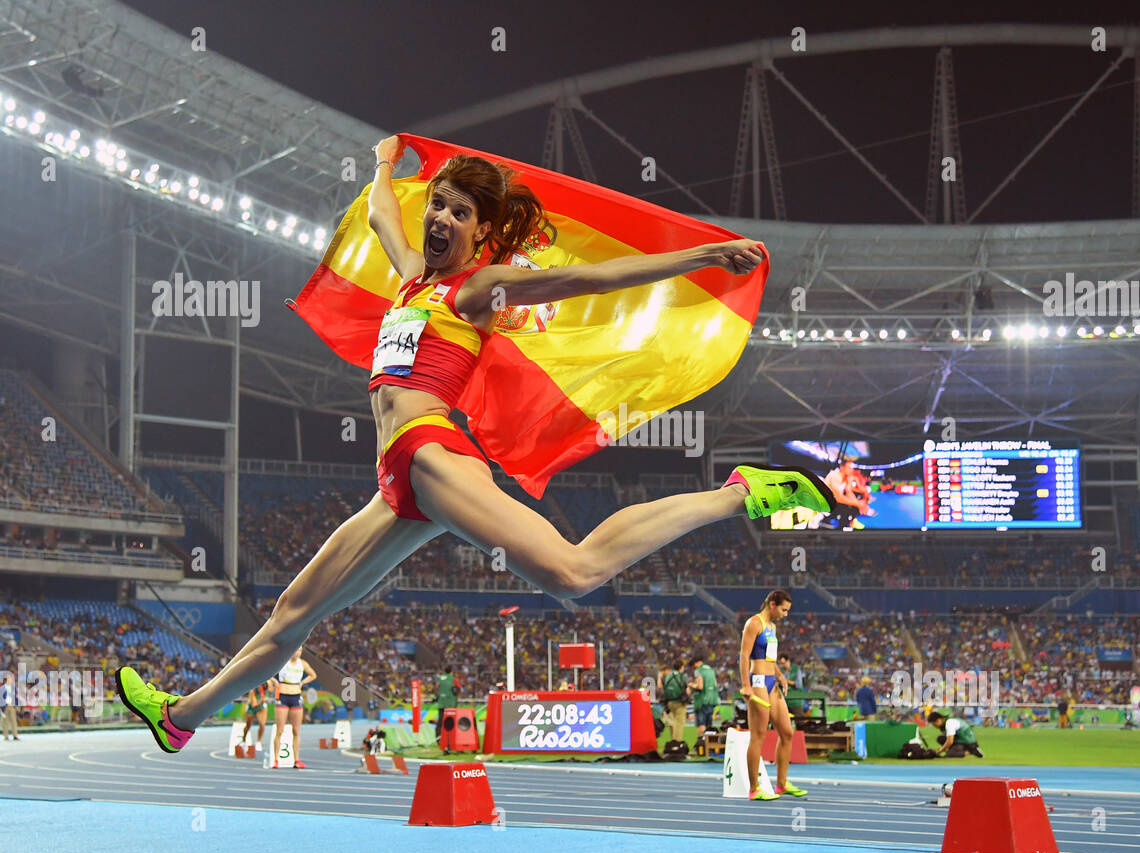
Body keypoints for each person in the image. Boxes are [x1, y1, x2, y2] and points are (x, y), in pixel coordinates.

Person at [113, 138, 834, 754]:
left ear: (481, 231)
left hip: (432, 453)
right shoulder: (410, 282)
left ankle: (737, 489)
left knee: (574, 571)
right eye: (439, 203)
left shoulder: (478, 288)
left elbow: (588, 277)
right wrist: (385, 161)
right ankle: (180, 719)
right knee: (292, 615)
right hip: (395, 480)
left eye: (461, 211)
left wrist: (701, 254)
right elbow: (379, 211)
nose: (442, 217)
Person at [739, 590, 807, 800]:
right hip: (758, 682)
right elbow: (743, 655)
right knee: (758, 736)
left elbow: (771, 658)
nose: (786, 614)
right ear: (772, 605)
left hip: (772, 683)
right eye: (784, 609)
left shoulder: (772, 627)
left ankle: (782, 784)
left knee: (787, 732)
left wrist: (781, 676)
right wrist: (746, 686)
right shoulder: (754, 624)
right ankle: (754, 789)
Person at [268, 646, 317, 769]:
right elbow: (267, 672)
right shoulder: (283, 661)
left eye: (300, 651)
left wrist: (302, 683)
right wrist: (275, 682)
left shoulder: (303, 663)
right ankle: (275, 760)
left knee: (296, 731)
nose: (298, 653)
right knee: (280, 730)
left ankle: (296, 760)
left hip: (296, 697)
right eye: (296, 650)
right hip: (283, 696)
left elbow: (313, 675)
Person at [688, 655, 718, 753]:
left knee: (701, 724)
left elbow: (700, 686)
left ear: (696, 663)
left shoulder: (698, 671)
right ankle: (711, 748)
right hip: (712, 700)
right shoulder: (710, 670)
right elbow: (715, 685)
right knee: (709, 725)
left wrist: (691, 685)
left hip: (702, 701)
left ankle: (701, 747)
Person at [661, 659, 688, 744]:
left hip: (669, 703)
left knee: (672, 723)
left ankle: (672, 740)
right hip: (679, 702)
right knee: (679, 724)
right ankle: (677, 743)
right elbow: (685, 688)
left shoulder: (668, 676)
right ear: (681, 667)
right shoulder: (681, 676)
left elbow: (663, 686)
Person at [239, 681, 269, 752]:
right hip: (252, 707)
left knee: (262, 724)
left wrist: (275, 681)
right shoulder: (252, 690)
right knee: (248, 726)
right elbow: (254, 705)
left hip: (261, 707)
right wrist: (261, 702)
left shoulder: (267, 686)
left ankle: (258, 742)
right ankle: (243, 740)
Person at [435, 666, 459, 742]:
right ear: (451, 671)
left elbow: (436, 686)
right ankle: (451, 738)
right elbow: (457, 689)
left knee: (440, 721)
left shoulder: (440, 678)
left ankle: (438, 738)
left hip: (441, 702)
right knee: (451, 722)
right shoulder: (453, 679)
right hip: (451, 704)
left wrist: (438, 695)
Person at [1, 674, 18, 741]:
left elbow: (16, 697)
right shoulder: (2, 688)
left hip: (12, 706)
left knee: (14, 721)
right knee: (5, 722)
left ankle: (15, 735)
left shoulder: (14, 688)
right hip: (5, 706)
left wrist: (16, 705)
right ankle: (6, 736)